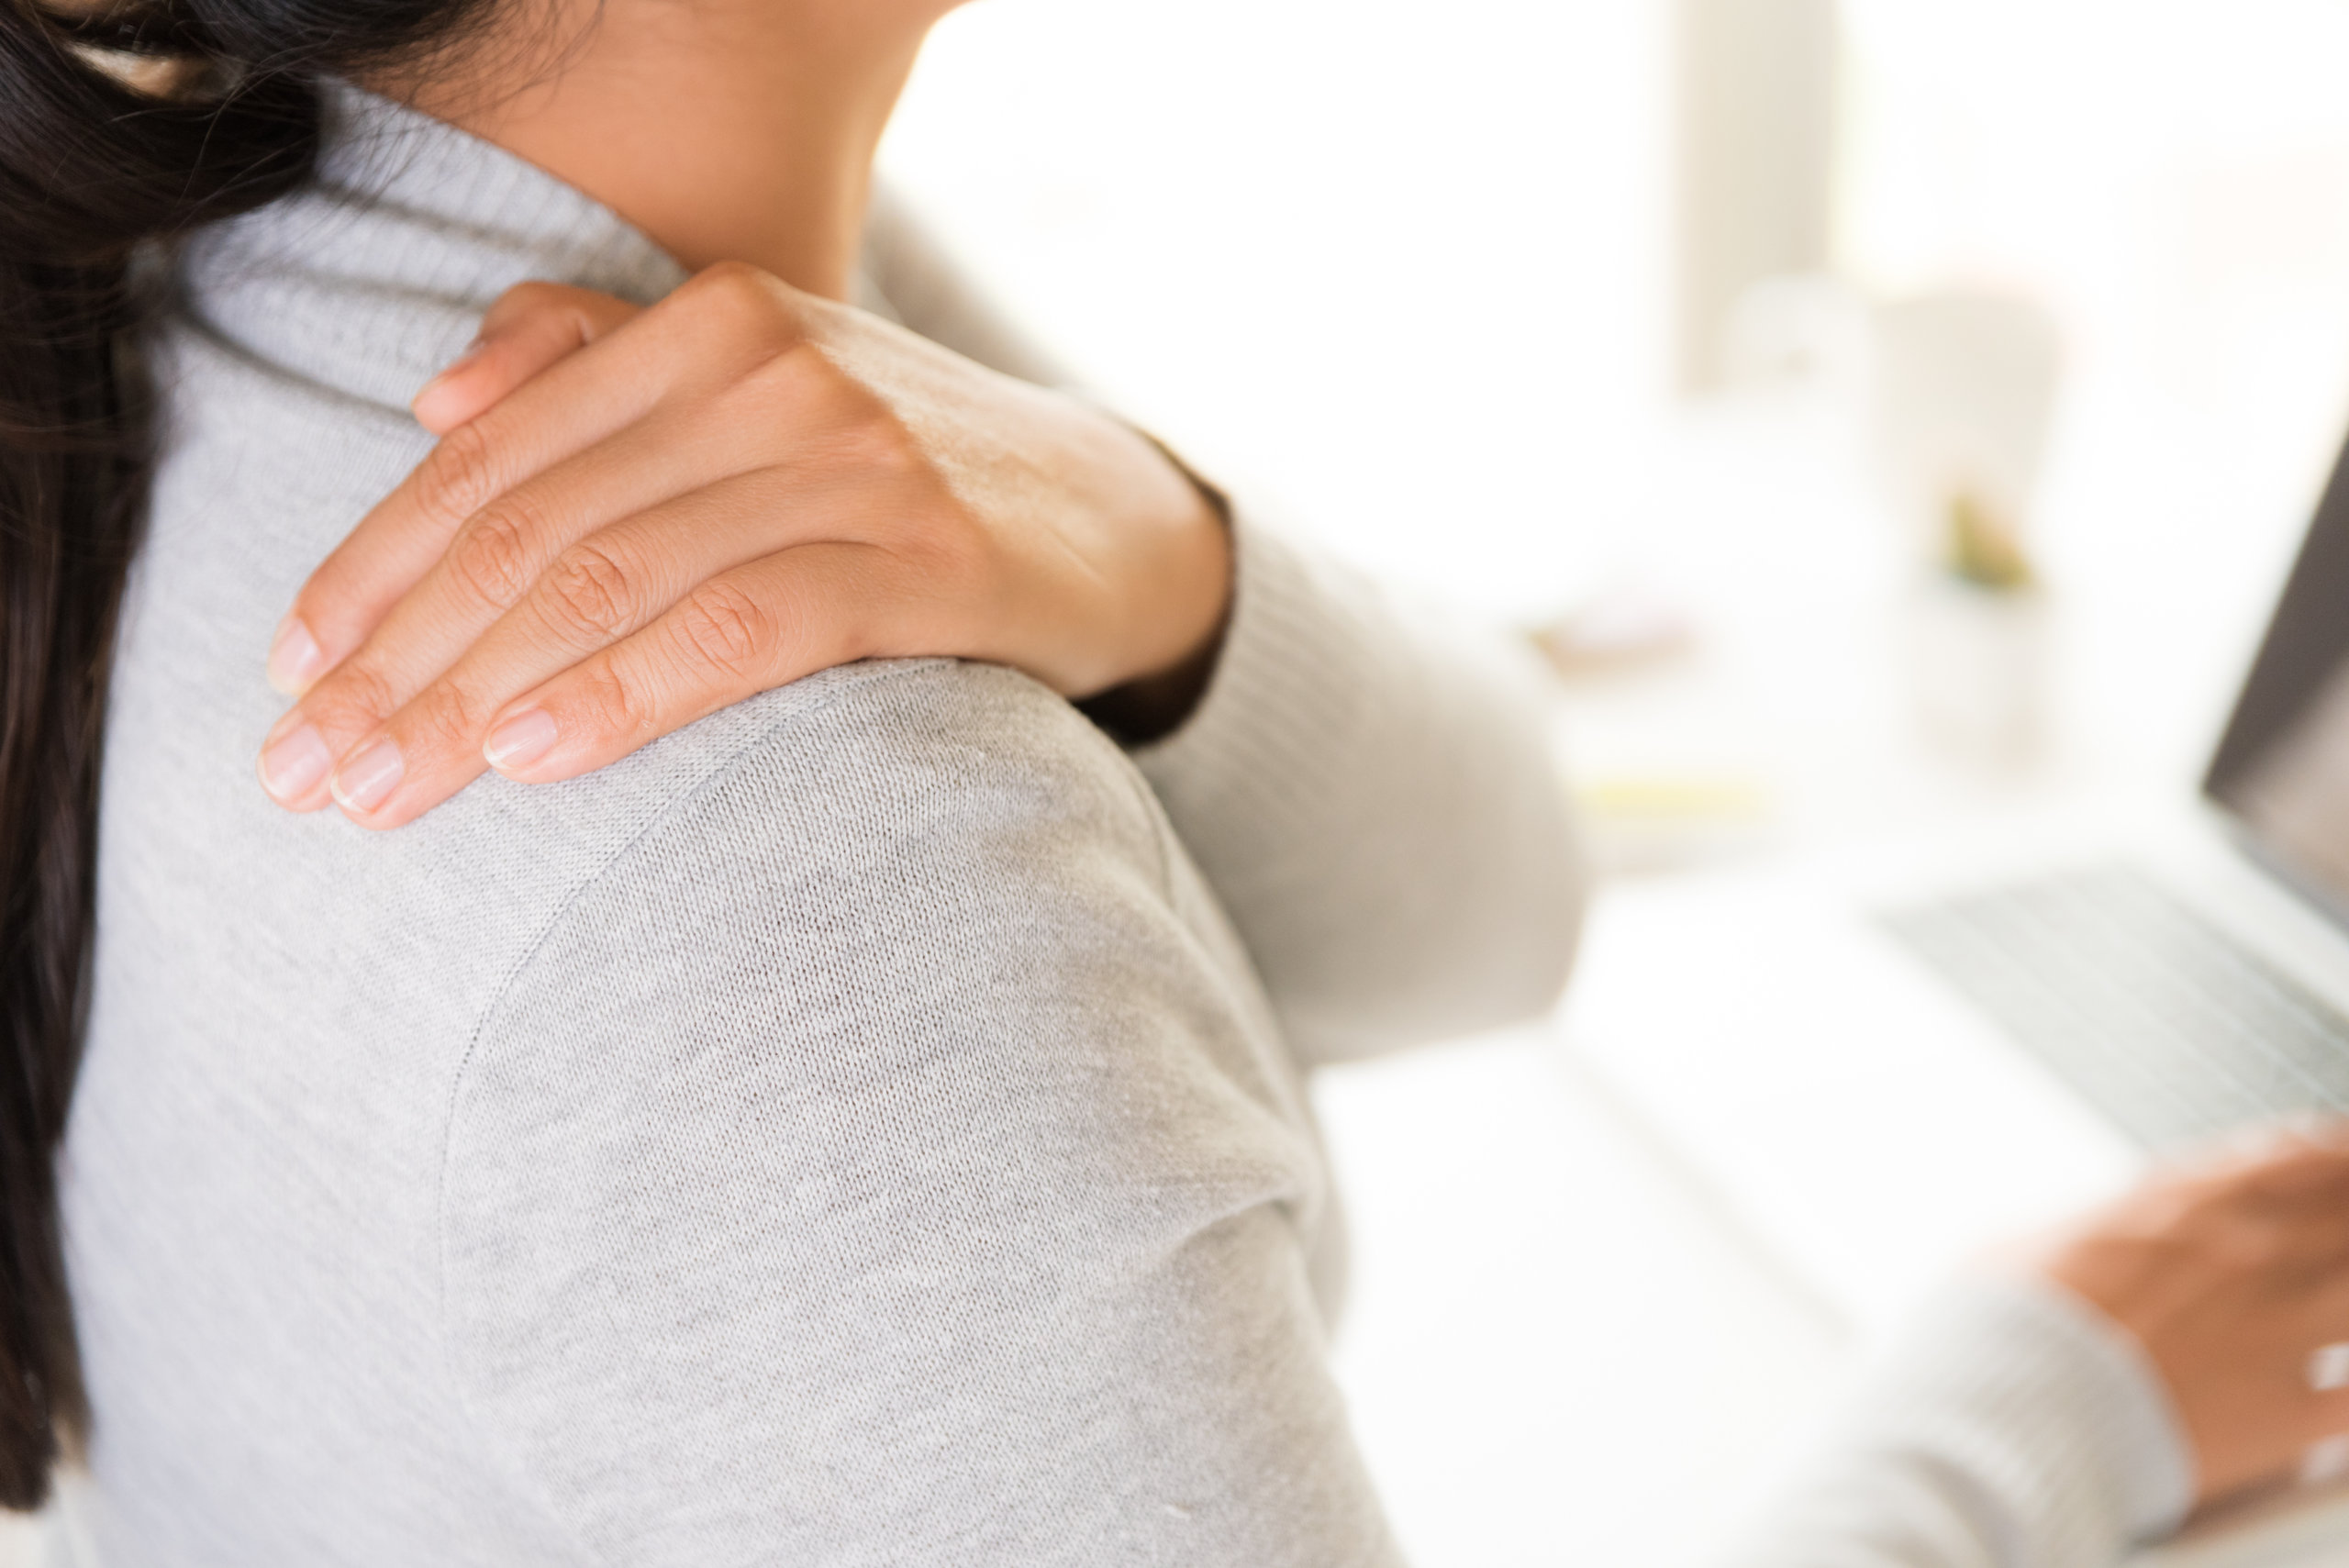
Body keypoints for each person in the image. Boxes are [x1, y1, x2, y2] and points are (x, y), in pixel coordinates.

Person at [1, 1, 2346, 1563]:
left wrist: (1155, 560)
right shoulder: (799, 878)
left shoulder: (265, 270)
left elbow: (1502, 905)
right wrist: (2031, 1415)